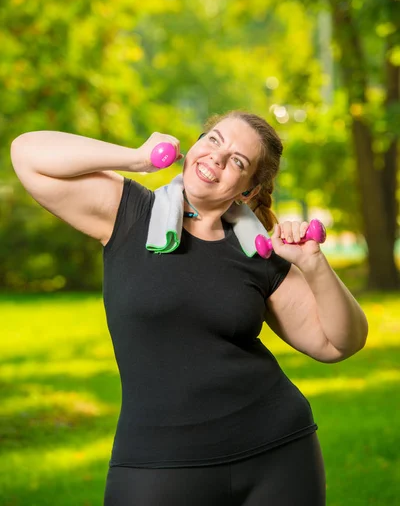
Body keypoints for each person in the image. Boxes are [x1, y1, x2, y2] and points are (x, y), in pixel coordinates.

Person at [10, 110, 368, 506]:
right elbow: (26, 153)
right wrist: (137, 158)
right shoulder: (128, 212)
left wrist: (314, 264)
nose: (217, 157)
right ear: (195, 146)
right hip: (157, 466)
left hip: (276, 454)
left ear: (247, 191)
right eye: (214, 140)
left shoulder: (258, 254)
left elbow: (339, 343)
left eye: (237, 161)